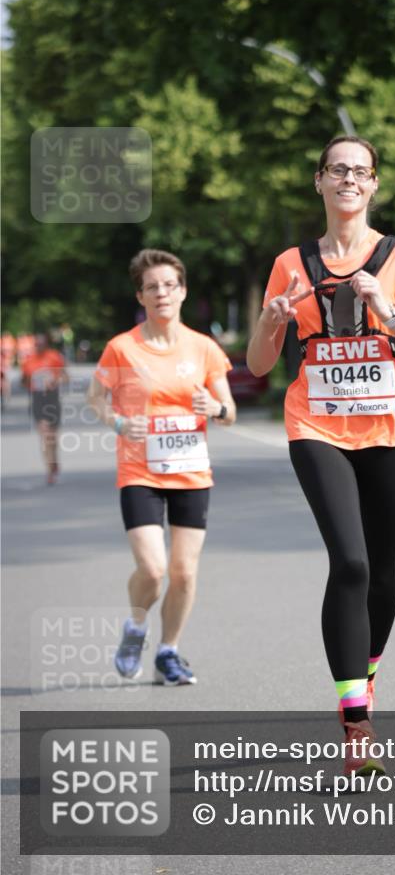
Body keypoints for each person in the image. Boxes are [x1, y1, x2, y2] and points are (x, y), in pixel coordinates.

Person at [247, 136, 395, 775]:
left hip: (391, 433)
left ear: (373, 185)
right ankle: (356, 725)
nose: (349, 180)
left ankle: (363, 670)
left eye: (360, 172)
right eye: (338, 170)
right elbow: (256, 364)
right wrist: (272, 321)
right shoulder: (291, 264)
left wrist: (386, 310)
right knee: (353, 564)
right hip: (317, 427)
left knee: (385, 572)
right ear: (319, 182)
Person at [89, 249, 237, 686]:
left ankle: (168, 651)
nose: (161, 293)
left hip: (191, 471)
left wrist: (215, 406)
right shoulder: (122, 347)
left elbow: (229, 411)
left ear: (183, 291)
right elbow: (96, 399)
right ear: (141, 295)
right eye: (152, 287)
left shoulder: (204, 347)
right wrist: (117, 421)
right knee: (153, 570)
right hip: (140, 472)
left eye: (169, 285)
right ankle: (136, 626)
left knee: (184, 572)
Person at [21, 332, 68, 485]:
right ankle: (49, 470)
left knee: (52, 437)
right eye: (37, 344)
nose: (39, 346)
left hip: (52, 399)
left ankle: (54, 461)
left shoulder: (54, 356)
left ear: (46, 344)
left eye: (42, 344)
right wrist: (30, 382)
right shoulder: (28, 361)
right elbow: (23, 382)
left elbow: (66, 377)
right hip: (38, 399)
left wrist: (54, 380)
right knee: (45, 435)